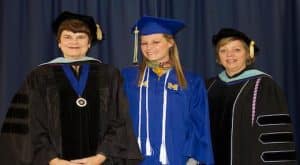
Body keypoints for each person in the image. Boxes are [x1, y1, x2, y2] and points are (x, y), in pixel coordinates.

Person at [0, 11, 142, 165]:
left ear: (89, 42)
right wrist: (53, 160)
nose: (74, 42)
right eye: (67, 36)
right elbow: (31, 123)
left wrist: (101, 157)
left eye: (81, 37)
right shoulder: (39, 76)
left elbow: (119, 120)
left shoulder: (109, 75)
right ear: (59, 42)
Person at [121, 16, 214, 165]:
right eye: (144, 43)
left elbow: (199, 124)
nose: (148, 47)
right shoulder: (127, 77)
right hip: (134, 158)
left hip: (178, 158)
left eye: (155, 42)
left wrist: (193, 157)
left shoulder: (191, 81)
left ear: (170, 42)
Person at [206, 28, 297, 165]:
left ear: (248, 54)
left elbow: (274, 138)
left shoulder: (263, 85)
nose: (229, 55)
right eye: (223, 50)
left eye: (237, 50)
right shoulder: (209, 86)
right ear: (218, 57)